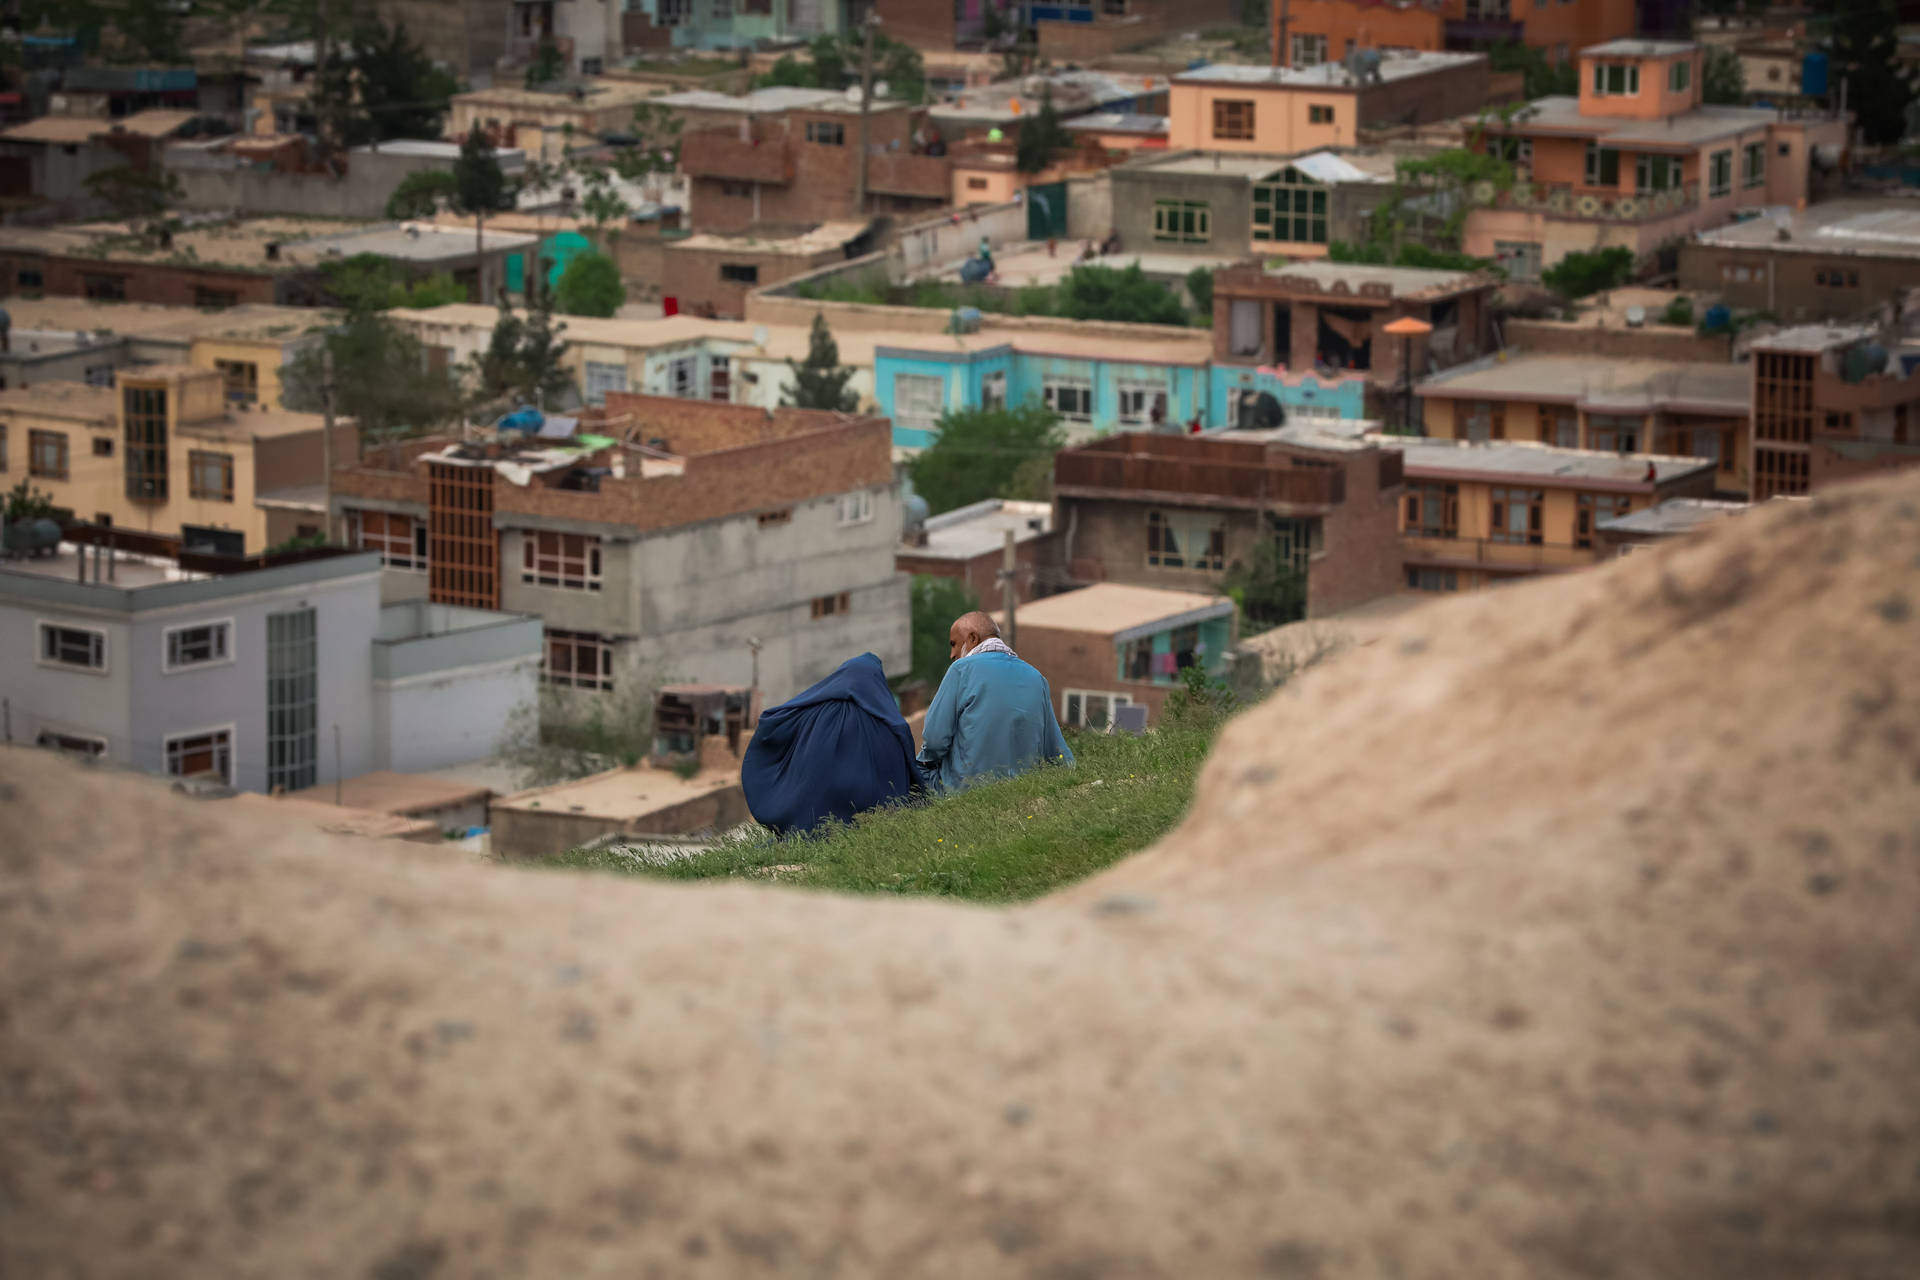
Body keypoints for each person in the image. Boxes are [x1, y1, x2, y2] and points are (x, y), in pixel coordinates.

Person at [741, 653, 926, 835]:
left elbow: (776, 725)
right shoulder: (889, 723)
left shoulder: (817, 715)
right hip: (873, 818)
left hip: (817, 816)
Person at [917, 611, 1073, 792]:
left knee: (915, 769)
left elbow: (934, 741)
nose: (952, 654)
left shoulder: (961, 669)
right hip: (1023, 789)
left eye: (954, 644)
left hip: (966, 790)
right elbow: (1056, 751)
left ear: (973, 638)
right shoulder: (1036, 677)